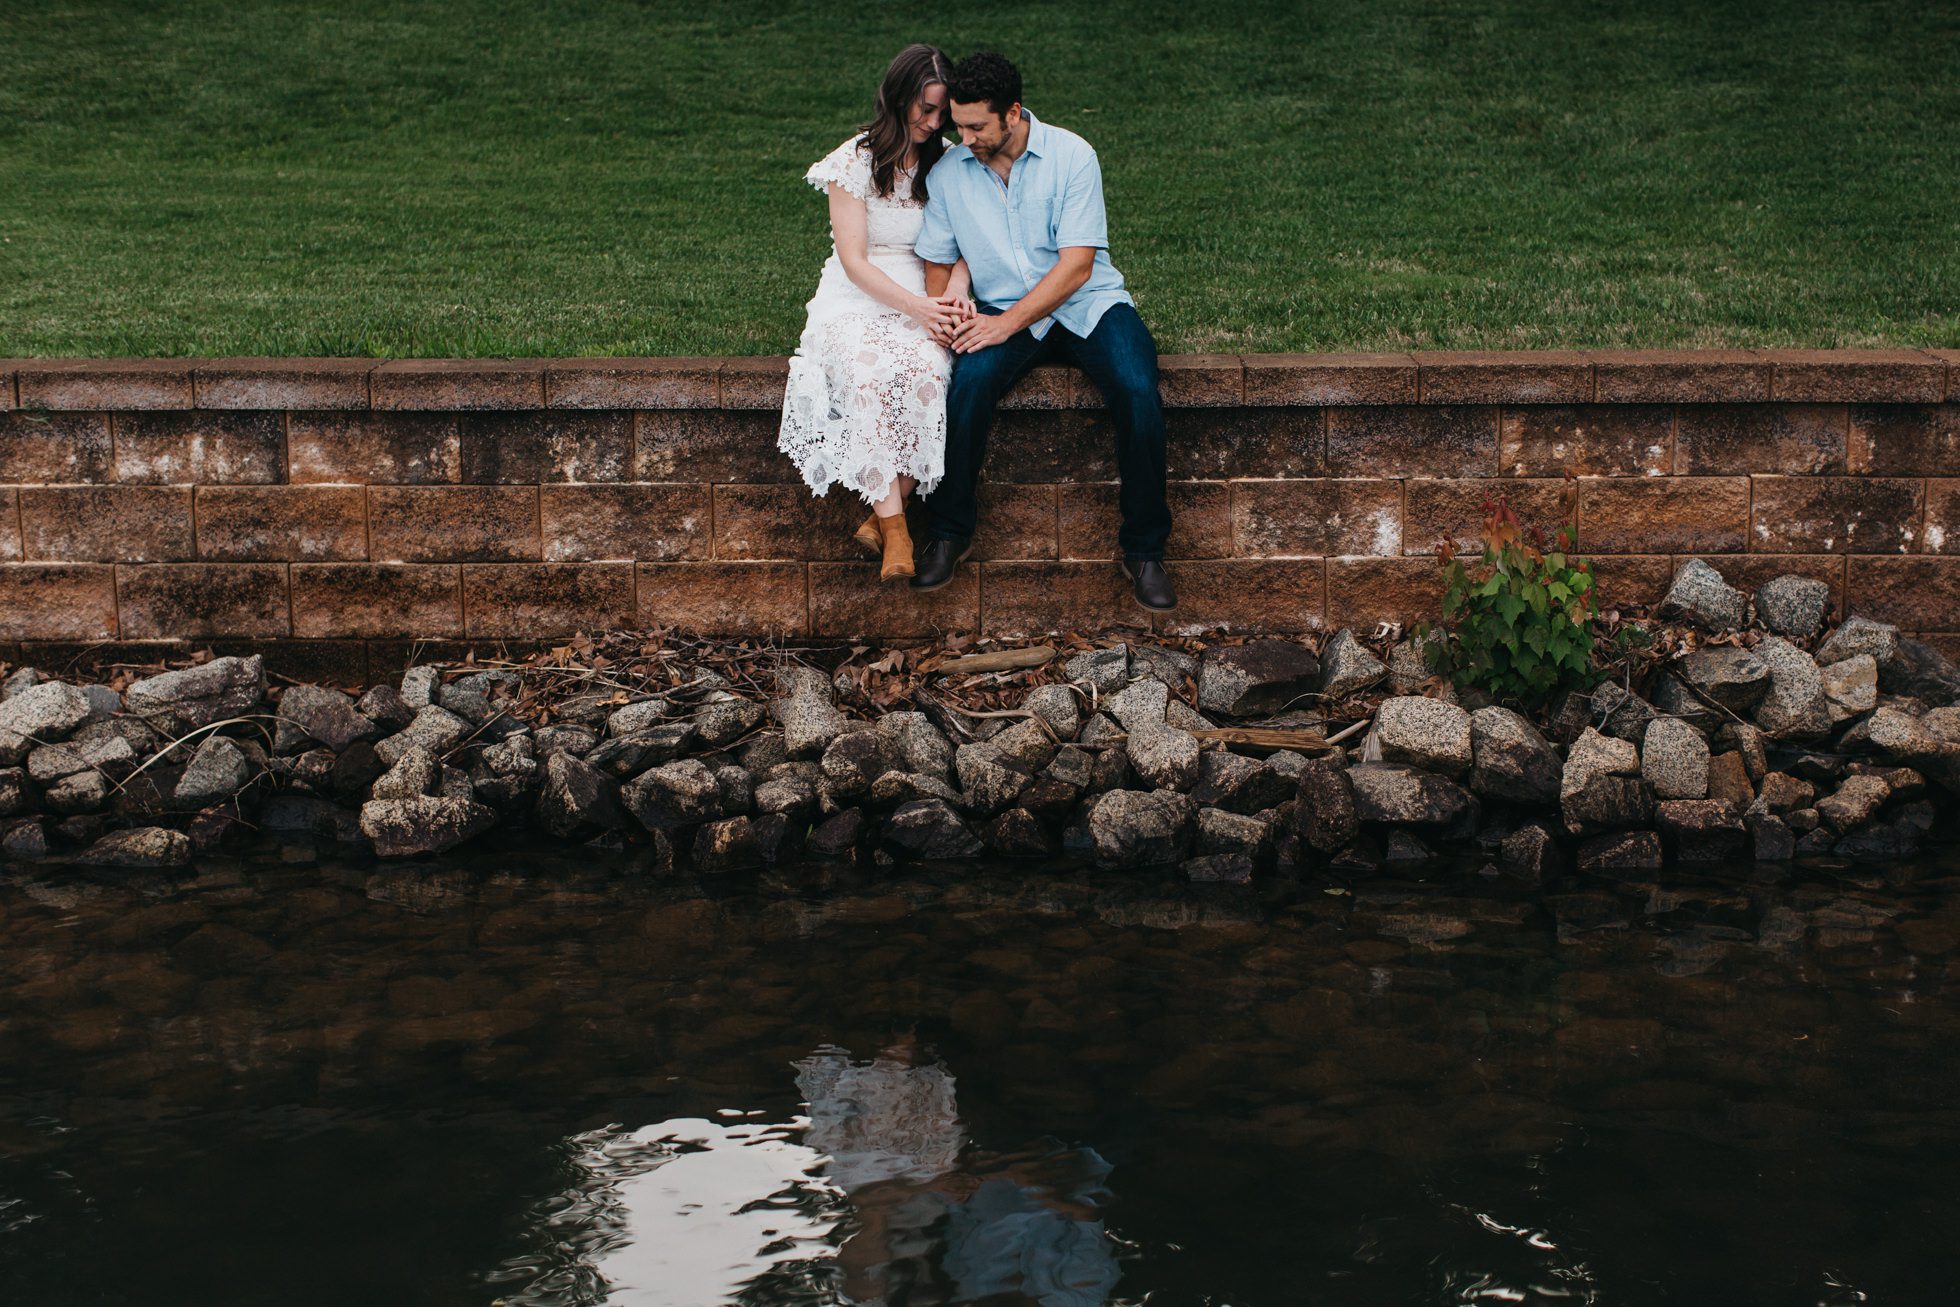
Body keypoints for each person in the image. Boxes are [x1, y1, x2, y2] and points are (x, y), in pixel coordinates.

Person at [911, 52, 1176, 612]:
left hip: (1087, 304)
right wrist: (952, 304)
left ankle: (1145, 551)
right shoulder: (949, 173)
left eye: (977, 125)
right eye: (959, 124)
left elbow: (1077, 266)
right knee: (967, 389)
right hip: (1001, 307)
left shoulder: (1073, 155)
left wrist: (1005, 325)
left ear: (1012, 112)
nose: (965, 136)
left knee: (1136, 388)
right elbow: (938, 261)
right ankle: (950, 532)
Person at [778, 44, 978, 583]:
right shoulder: (853, 161)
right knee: (867, 375)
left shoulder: (954, 160)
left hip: (928, 282)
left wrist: (954, 290)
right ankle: (898, 533)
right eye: (925, 109)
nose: (934, 123)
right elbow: (854, 260)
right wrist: (916, 308)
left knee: (929, 374)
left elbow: (970, 240)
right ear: (898, 96)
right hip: (859, 292)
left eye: (942, 112)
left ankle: (881, 516)